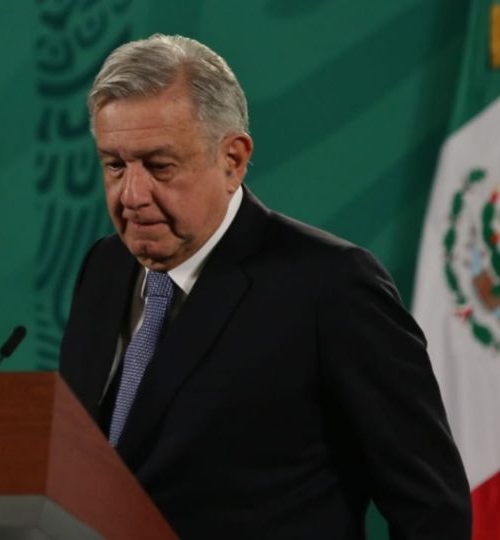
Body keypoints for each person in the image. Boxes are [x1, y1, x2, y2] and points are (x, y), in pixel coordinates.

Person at [58, 34, 471, 539]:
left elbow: (432, 510)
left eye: (159, 166)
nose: (132, 194)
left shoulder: (330, 287)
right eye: (115, 165)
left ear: (232, 159)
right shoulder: (105, 268)